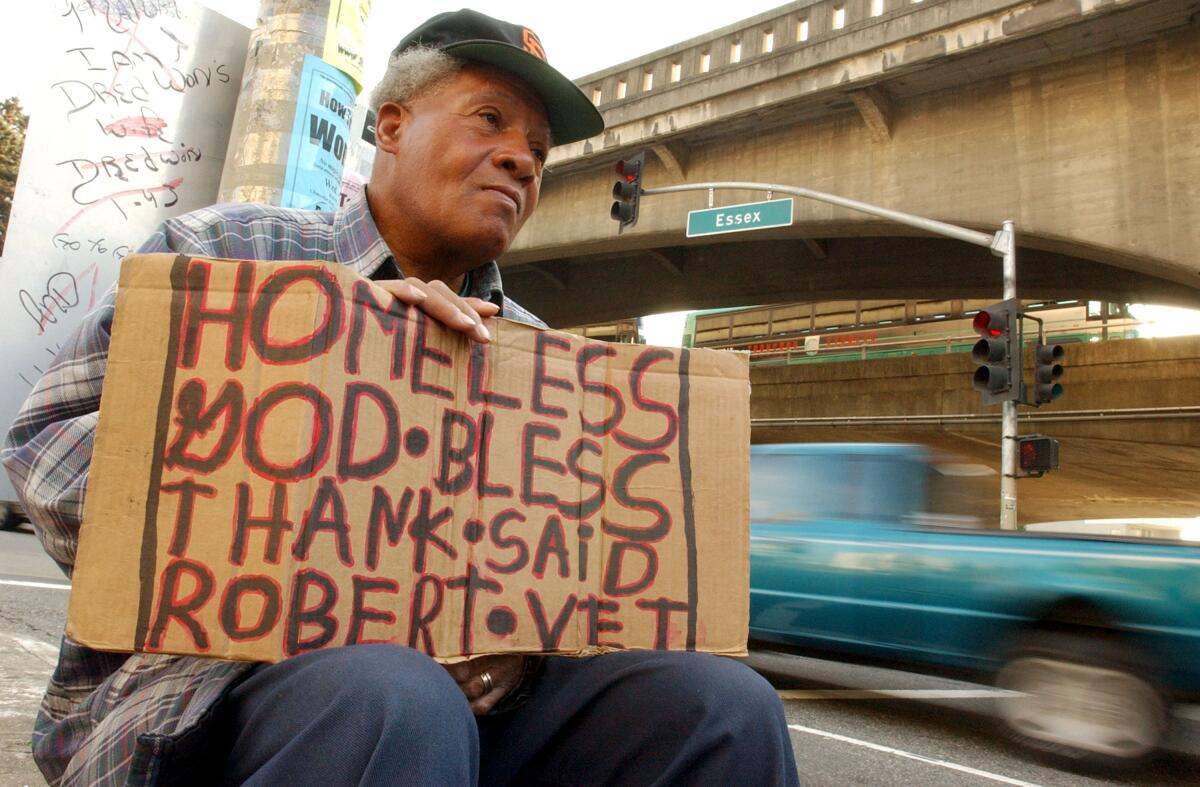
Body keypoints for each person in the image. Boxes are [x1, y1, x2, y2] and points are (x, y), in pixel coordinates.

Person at [2, 9, 800, 786]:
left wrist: (520, 653)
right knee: (397, 692)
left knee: (725, 705)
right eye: (489, 119)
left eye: (538, 150)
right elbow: (47, 456)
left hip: (479, 724)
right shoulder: (224, 252)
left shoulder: (544, 359)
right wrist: (331, 352)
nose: (521, 160)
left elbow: (576, 584)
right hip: (217, 698)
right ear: (390, 126)